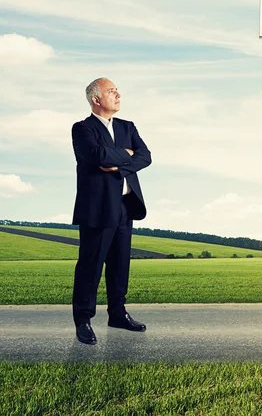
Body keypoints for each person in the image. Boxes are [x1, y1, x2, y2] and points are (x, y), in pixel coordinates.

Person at [71, 77, 152, 345]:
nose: (118, 94)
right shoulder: (82, 129)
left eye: (117, 90)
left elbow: (145, 156)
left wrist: (117, 160)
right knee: (90, 265)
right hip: (97, 207)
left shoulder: (128, 127)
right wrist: (125, 155)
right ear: (96, 99)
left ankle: (117, 313)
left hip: (125, 206)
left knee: (120, 264)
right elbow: (96, 156)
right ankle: (83, 320)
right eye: (111, 91)